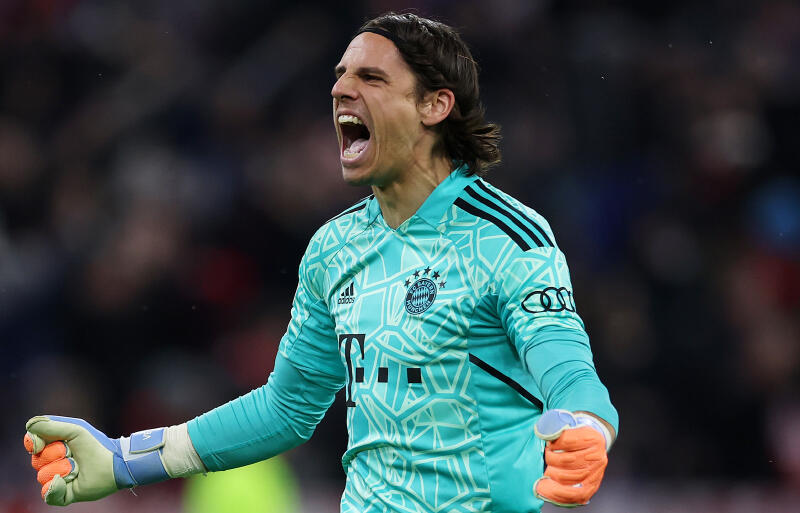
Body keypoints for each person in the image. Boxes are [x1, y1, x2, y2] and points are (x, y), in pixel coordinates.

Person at [23, 12, 618, 512]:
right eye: (340, 77)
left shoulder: (505, 236)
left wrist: (588, 426)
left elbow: (569, 373)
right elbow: (285, 409)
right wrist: (124, 459)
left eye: (371, 77)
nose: (340, 91)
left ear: (435, 105)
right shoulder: (335, 248)